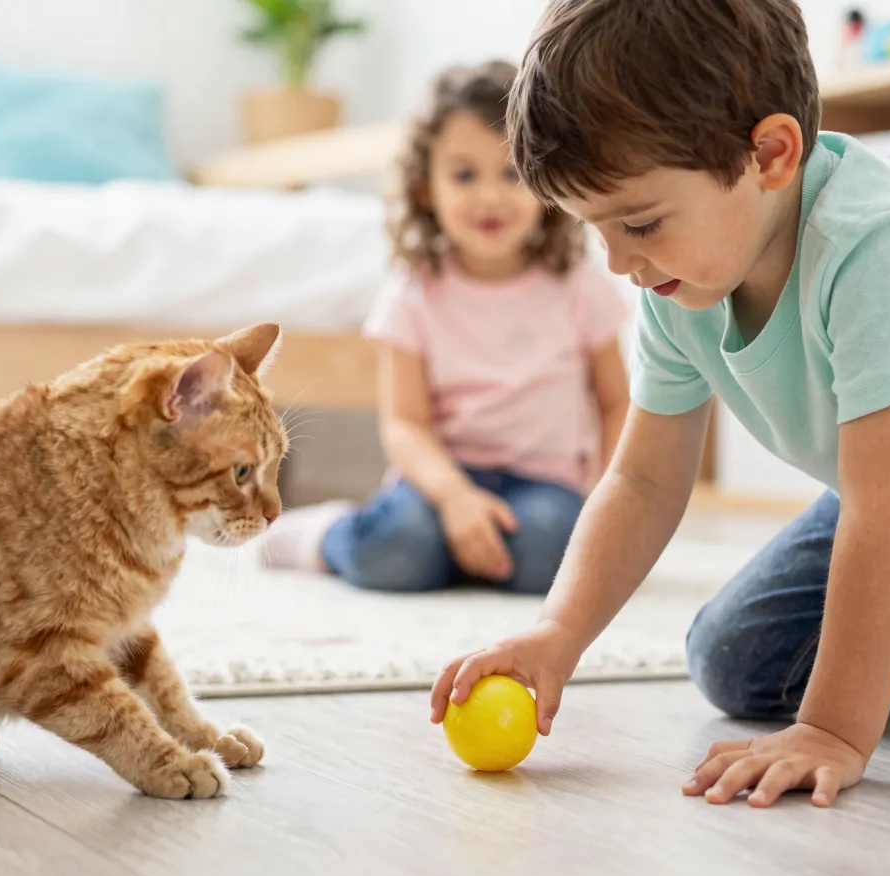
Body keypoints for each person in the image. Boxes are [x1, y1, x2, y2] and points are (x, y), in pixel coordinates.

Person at [432, 0, 890, 808]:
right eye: (594, 229)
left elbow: (888, 508)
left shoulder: (886, 245)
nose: (618, 261)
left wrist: (835, 730)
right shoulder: (677, 279)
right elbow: (642, 482)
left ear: (771, 154)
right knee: (729, 658)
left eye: (636, 221)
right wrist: (555, 635)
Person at [264, 60, 630, 595]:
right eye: (463, 174)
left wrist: (605, 498)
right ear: (425, 188)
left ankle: (456, 557)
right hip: (437, 484)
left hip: (544, 488)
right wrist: (455, 499)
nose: (489, 196)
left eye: (511, 173)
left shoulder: (577, 284)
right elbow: (405, 426)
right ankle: (324, 534)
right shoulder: (413, 292)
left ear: (546, 179)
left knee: (551, 552)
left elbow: (616, 402)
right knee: (397, 549)